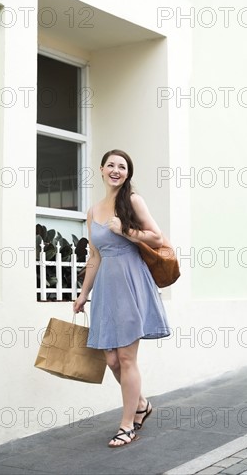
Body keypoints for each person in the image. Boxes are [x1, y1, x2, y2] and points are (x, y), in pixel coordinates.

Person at [73, 149, 171, 448]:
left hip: (132, 283)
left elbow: (158, 238)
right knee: (112, 359)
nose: (116, 170)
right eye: (111, 165)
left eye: (122, 166)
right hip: (105, 289)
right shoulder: (92, 212)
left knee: (127, 358)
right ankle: (141, 404)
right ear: (102, 170)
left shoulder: (133, 201)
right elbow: (94, 256)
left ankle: (127, 425)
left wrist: (127, 230)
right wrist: (82, 294)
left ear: (127, 173)